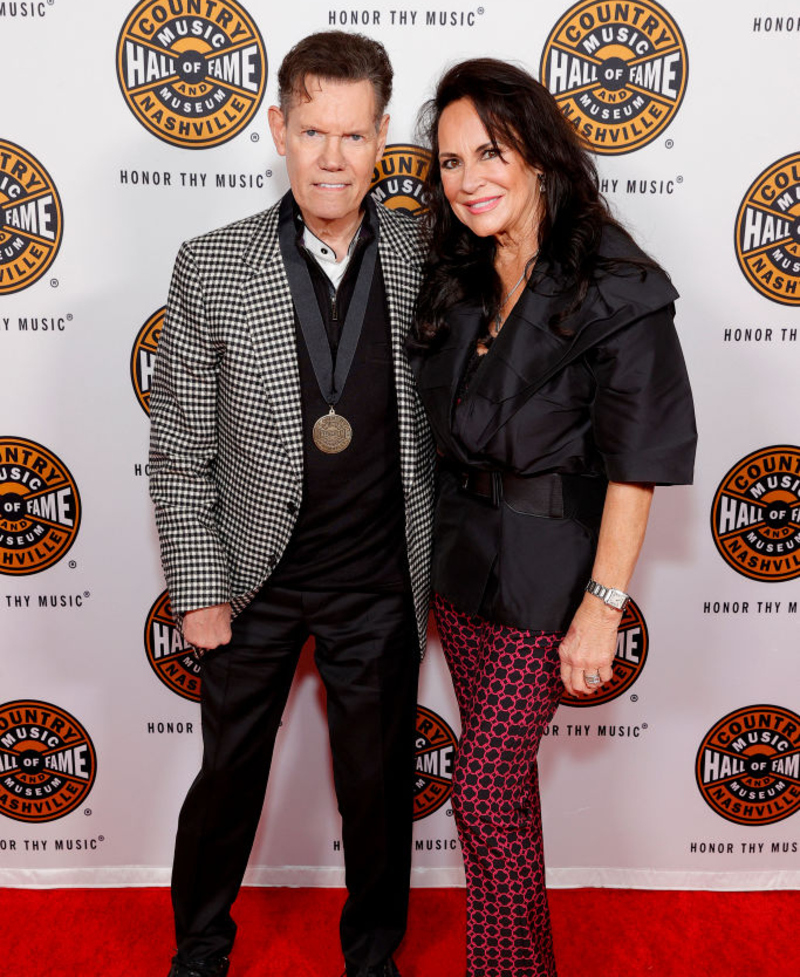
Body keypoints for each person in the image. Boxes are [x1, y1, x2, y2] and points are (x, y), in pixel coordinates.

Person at [149, 31, 434, 977]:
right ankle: (199, 950)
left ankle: (373, 957)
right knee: (227, 778)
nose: (333, 157)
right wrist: (198, 586)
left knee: (378, 786)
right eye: (313, 130)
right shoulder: (212, 263)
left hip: (378, 580)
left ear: (383, 135)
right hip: (252, 577)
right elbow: (180, 446)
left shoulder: (426, 249)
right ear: (279, 127)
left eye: (354, 136)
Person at [408, 59, 697, 977]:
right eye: (449, 162)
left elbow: (636, 466)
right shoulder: (457, 274)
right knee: (512, 801)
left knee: (484, 800)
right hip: (462, 571)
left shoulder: (618, 283)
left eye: (488, 152)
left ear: (538, 153)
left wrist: (603, 606)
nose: (468, 180)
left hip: (553, 578)